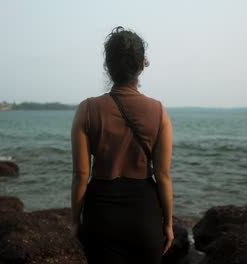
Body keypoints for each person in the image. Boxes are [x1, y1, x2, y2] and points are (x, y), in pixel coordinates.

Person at [71, 26, 174, 264]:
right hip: (145, 216)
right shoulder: (159, 112)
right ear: (142, 65)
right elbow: (164, 176)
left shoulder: (87, 110)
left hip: (101, 216)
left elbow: (80, 175)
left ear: (107, 66)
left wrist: (75, 222)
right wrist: (167, 224)